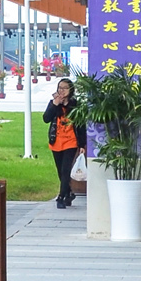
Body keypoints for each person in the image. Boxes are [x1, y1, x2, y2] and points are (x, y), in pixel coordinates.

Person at [43, 76, 82, 209]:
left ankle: (61, 197)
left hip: (71, 141)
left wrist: (82, 144)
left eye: (65, 88)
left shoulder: (75, 105)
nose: (62, 91)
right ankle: (69, 193)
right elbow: (46, 119)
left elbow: (81, 125)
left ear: (71, 90)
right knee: (60, 171)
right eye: (60, 88)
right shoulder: (54, 103)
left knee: (66, 170)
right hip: (56, 141)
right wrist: (55, 104)